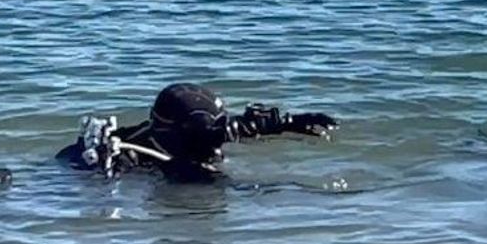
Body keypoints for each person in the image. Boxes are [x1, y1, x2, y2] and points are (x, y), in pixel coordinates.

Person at [53, 82, 337, 183]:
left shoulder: (204, 134)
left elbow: (233, 129)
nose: (216, 146)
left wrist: (288, 122)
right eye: (208, 138)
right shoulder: (139, 156)